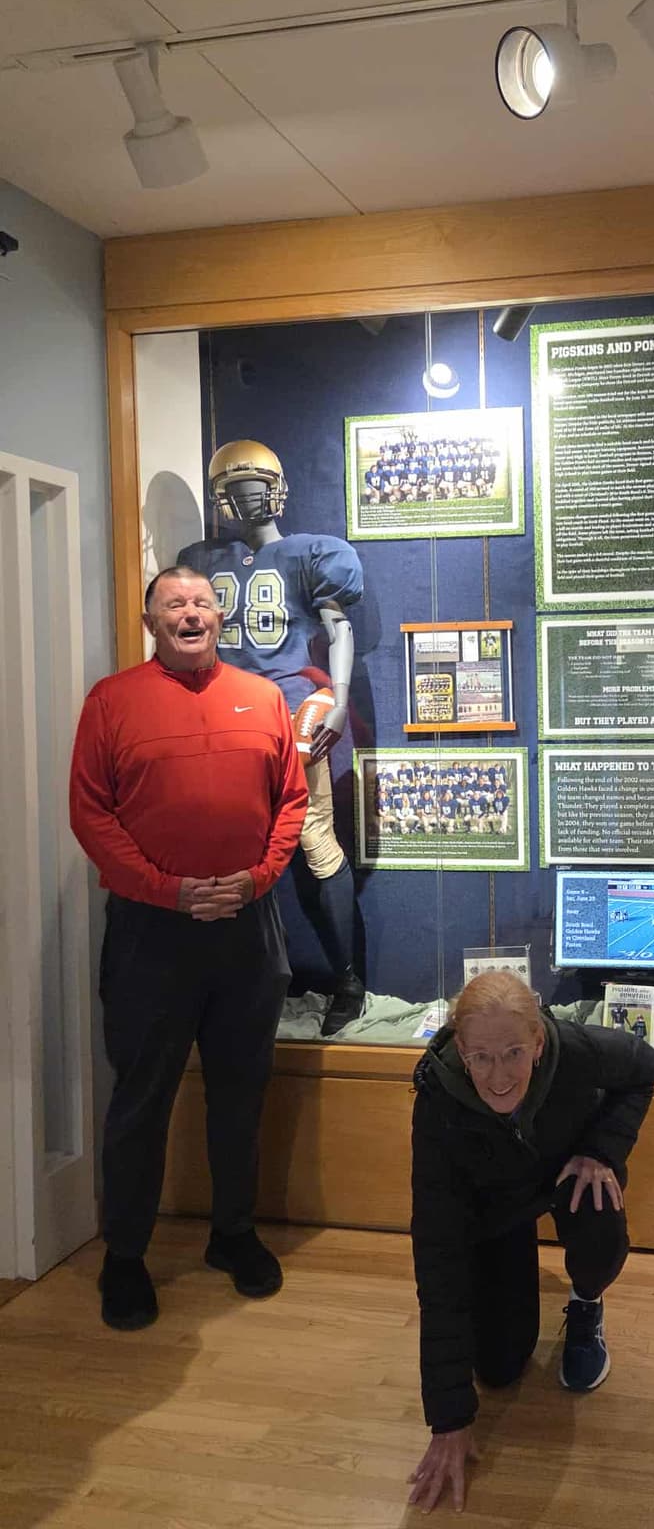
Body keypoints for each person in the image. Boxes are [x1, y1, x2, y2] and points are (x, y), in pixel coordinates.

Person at [69, 566, 308, 1332]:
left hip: (247, 924)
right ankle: (126, 1257)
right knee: (141, 1099)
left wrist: (259, 878)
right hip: (152, 932)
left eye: (203, 601)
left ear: (220, 618)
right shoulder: (111, 701)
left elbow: (292, 802)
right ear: (151, 622)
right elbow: (90, 814)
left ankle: (232, 1234)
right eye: (174, 603)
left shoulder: (264, 698)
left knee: (240, 1090)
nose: (191, 611)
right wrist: (166, 889)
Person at [408, 973, 654, 1514]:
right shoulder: (436, 1100)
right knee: (498, 1369)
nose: (499, 1077)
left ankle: (587, 1304)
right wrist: (449, 1418)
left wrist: (602, 1149)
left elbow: (644, 1065)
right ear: (460, 1049)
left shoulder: (575, 1049)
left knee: (599, 1215)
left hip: (564, 1174)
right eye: (481, 1058)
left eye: (514, 1053)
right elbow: (438, 1259)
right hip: (496, 1209)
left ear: (539, 1043)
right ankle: (513, 1263)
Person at [180, 440, 367, 1038]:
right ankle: (244, 981)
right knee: (228, 849)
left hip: (290, 715)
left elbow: (339, 626)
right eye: (233, 488)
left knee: (314, 842)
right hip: (222, 721)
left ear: (277, 487)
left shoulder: (314, 553)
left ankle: (348, 978)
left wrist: (338, 701)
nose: (245, 497)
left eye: (253, 484)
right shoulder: (202, 560)